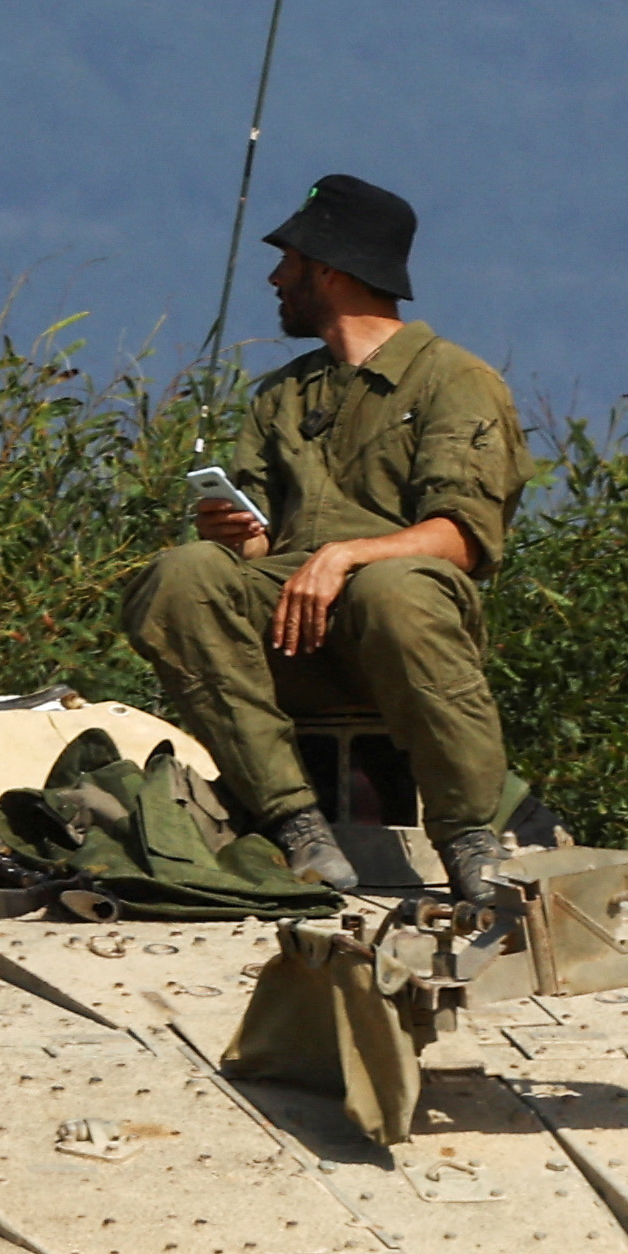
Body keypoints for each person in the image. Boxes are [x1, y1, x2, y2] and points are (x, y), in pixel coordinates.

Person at [115, 171, 531, 905]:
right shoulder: (283, 394)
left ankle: (469, 835)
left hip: (402, 628)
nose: (277, 279)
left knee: (394, 588)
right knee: (182, 574)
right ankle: (293, 820)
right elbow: (261, 551)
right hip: (290, 627)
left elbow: (463, 539)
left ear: (332, 270)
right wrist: (235, 532)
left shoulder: (452, 381)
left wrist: (346, 557)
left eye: (291, 263)